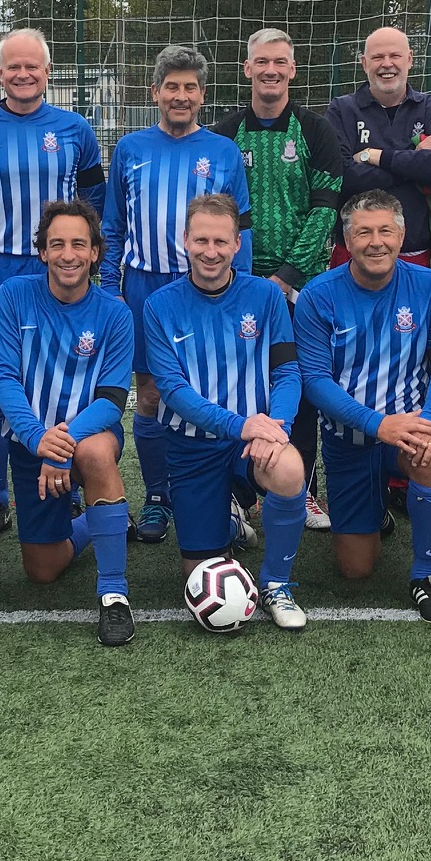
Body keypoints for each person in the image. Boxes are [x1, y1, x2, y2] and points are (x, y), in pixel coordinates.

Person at [0, 29, 105, 544]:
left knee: (65, 373)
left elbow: (93, 196)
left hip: (58, 267)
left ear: (47, 72)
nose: (23, 74)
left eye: (32, 66)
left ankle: (71, 479)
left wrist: (66, 248)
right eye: (13, 66)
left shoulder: (74, 128)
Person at [101, 45, 252, 544]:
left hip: (209, 288)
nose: (180, 96)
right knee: (149, 395)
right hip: (145, 287)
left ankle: (221, 493)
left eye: (190, 87)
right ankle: (157, 495)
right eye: (171, 87)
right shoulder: (130, 148)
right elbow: (113, 226)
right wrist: (110, 287)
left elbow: (241, 229)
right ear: (155, 93)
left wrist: (240, 289)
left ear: (202, 95)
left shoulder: (224, 151)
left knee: (210, 388)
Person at [144, 194, 309, 630]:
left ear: (237, 243)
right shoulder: (159, 305)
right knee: (198, 576)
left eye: (221, 241)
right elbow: (173, 391)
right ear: (185, 240)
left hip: (252, 442)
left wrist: (277, 428)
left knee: (289, 468)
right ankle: (229, 522)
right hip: (192, 447)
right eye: (201, 240)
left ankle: (276, 584)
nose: (210, 251)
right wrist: (242, 425)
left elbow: (287, 371)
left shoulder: (265, 296)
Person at [293, 191, 431, 620]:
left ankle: (426, 575)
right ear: (346, 240)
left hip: (411, 428)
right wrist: (377, 424)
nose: (376, 242)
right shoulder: (318, 295)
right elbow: (314, 381)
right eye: (363, 232)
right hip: (348, 439)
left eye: (386, 230)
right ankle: (375, 511)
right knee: (355, 570)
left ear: (401, 236)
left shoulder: (429, 286)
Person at [0, 199, 137, 646]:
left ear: (95, 252)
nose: (68, 254)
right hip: (31, 443)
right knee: (42, 570)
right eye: (57, 244)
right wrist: (39, 439)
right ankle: (103, 519)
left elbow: (112, 401)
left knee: (95, 452)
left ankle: (114, 594)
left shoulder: (115, 313)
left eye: (78, 244)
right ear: (43, 252)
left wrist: (63, 444)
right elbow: (3, 377)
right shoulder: (14, 295)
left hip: (88, 435)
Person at [211, 28, 344, 532]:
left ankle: (303, 487)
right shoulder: (224, 134)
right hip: (237, 283)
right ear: (247, 69)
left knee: (299, 384)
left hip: (300, 286)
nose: (271, 70)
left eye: (280, 62)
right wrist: (242, 277)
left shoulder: (316, 131)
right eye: (262, 62)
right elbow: (218, 213)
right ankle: (237, 492)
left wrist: (286, 276)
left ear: (292, 69)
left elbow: (325, 209)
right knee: (238, 383)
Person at [325, 26, 431, 270]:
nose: (387, 64)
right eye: (378, 57)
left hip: (416, 252)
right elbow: (344, 177)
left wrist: (375, 156)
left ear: (409, 59)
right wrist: (414, 162)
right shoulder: (341, 110)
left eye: (395, 56)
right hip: (354, 254)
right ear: (364, 63)